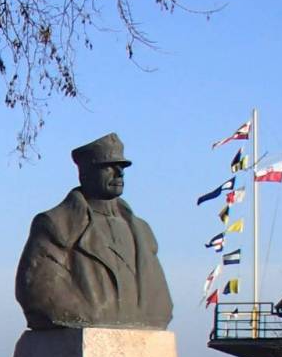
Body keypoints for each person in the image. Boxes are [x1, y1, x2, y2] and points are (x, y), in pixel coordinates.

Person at [16, 133, 174, 330]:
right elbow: (37, 290)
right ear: (85, 173)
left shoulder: (143, 231)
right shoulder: (56, 224)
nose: (119, 173)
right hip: (84, 330)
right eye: (108, 167)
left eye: (122, 167)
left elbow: (160, 299)